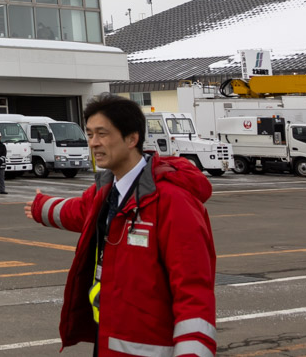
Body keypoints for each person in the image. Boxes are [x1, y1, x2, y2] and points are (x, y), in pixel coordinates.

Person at [25, 94, 215, 357]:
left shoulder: (173, 201)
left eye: (102, 134)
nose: (93, 143)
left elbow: (193, 292)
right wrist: (40, 207)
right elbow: (78, 211)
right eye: (90, 134)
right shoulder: (106, 192)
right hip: (106, 342)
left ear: (132, 138)